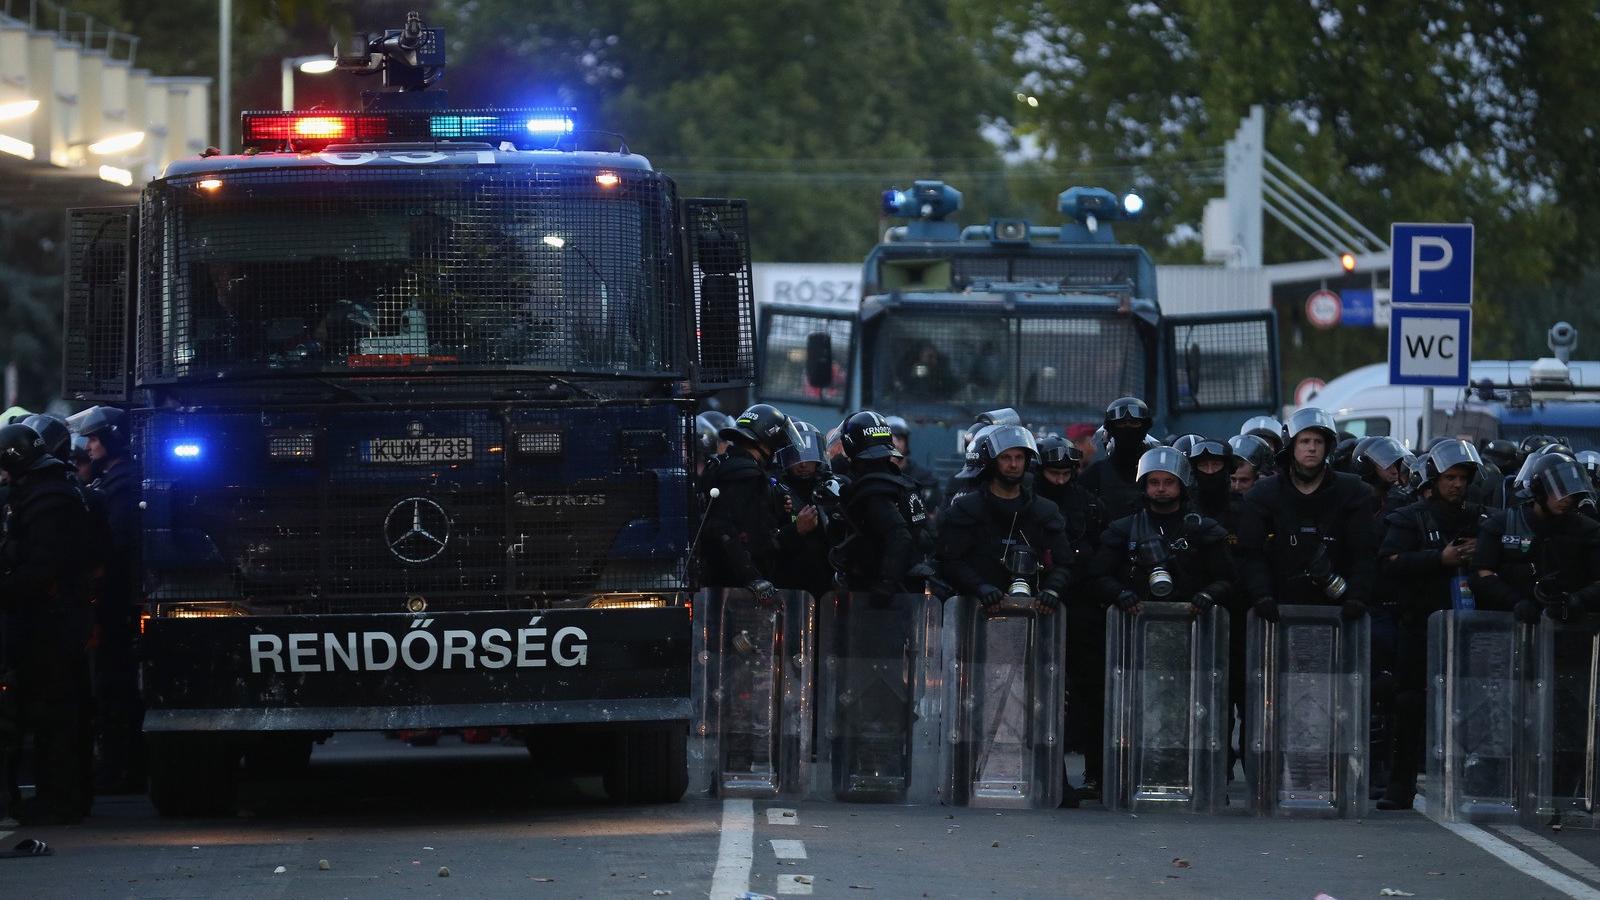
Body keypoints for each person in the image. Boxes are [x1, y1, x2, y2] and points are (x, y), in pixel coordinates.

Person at [1090, 446, 1236, 799]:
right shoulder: (1124, 530)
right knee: (1137, 707)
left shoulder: (1204, 529)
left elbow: (1228, 578)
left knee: (1193, 709)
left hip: (1193, 635)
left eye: (1167, 482)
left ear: (1182, 485)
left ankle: (1199, 779)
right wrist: (1121, 595)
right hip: (1136, 635)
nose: (1160, 489)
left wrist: (1208, 596)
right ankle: (1135, 775)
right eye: (1153, 482)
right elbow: (1097, 575)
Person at [1375, 440, 1488, 811]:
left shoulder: (1480, 518)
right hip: (1419, 624)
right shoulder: (1411, 517)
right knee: (1408, 704)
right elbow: (1390, 564)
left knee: (1472, 705)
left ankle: (1473, 784)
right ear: (1436, 479)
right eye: (1450, 477)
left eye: (1463, 478)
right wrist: (1439, 558)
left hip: (1468, 627)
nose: (1457, 485)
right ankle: (1399, 785)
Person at [0, 423, 95, 824]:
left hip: (49, 624)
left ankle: (61, 800)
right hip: (55, 620)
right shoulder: (56, 490)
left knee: (52, 714)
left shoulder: (48, 499)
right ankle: (61, 797)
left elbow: (43, 568)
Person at [1236, 408, 1378, 624]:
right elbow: (1251, 554)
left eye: (1318, 442)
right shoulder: (1264, 494)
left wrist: (1357, 597)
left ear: (1327, 446)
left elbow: (1364, 552)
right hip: (1279, 607)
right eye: (1305, 441)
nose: (1311, 448)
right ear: (1292, 445)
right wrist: (1262, 595)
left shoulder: (1353, 492)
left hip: (1338, 608)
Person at [74, 406, 145, 794]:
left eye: (95, 438)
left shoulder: (121, 484)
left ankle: (124, 766)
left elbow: (114, 543)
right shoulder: (113, 480)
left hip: (115, 601)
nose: (89, 446)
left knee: (114, 683)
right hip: (114, 599)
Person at [832, 411, 931, 596]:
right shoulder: (901, 481)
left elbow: (900, 535)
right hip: (908, 590)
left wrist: (885, 584)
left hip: (883, 600)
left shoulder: (874, 489)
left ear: (851, 444)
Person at [699, 403, 789, 601]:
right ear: (765, 442)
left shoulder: (723, 465)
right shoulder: (744, 474)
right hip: (736, 586)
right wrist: (752, 577)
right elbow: (724, 528)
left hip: (719, 578)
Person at [771, 420, 837, 601]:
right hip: (786, 587)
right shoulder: (774, 489)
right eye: (796, 457)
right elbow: (765, 543)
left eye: (809, 457)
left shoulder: (831, 488)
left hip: (826, 588)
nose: (803, 464)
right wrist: (796, 529)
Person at [1079, 397, 1154, 523]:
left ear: (1145, 426)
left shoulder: (1158, 471)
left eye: (1134, 423)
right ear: (1111, 428)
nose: (1128, 429)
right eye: (1121, 423)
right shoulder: (1094, 475)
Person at [885, 416, 944, 523]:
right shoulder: (876, 477)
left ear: (906, 442)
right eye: (890, 440)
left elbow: (934, 516)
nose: (896, 445)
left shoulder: (925, 479)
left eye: (899, 439)